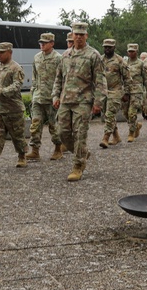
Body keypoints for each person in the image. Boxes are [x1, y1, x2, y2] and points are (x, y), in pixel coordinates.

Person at [51, 22, 106, 181]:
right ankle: (81, 152)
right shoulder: (65, 55)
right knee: (62, 133)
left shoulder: (93, 55)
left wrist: (98, 102)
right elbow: (58, 79)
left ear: (86, 36)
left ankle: (78, 166)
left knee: (80, 134)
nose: (79, 37)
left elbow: (101, 81)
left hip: (83, 102)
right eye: (76, 34)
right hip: (65, 101)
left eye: (82, 34)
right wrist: (55, 96)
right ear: (72, 36)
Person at [27, 33, 63, 161]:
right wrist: (34, 90)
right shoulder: (36, 57)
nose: (42, 44)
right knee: (35, 124)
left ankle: (58, 149)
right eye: (40, 42)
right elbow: (34, 76)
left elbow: (62, 79)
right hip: (38, 97)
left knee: (54, 126)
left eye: (45, 42)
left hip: (51, 97)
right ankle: (35, 150)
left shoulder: (58, 58)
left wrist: (58, 96)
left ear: (52, 43)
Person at [100, 39, 131, 147]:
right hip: (103, 91)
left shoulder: (119, 60)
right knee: (107, 115)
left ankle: (106, 137)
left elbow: (127, 78)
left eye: (109, 47)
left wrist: (126, 93)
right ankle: (116, 136)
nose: (107, 49)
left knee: (110, 114)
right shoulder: (100, 59)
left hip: (116, 91)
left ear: (114, 48)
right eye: (105, 47)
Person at [124, 43, 147, 141]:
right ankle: (136, 125)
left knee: (132, 113)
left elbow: (146, 79)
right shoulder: (124, 63)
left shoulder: (141, 64)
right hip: (126, 91)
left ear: (136, 52)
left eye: (132, 51)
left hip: (137, 91)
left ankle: (131, 133)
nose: (131, 53)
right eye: (129, 51)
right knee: (125, 112)